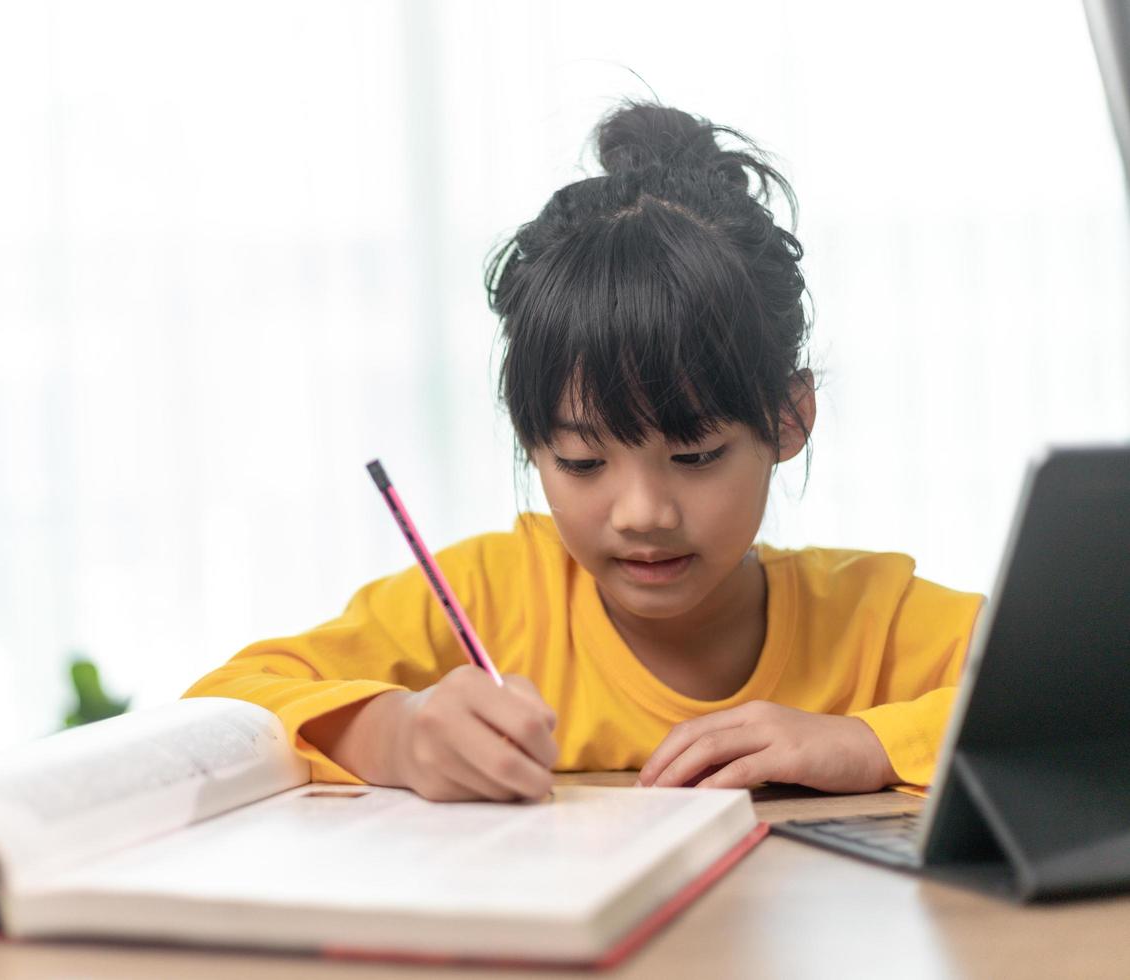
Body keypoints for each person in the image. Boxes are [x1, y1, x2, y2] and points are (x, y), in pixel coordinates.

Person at [183, 100, 982, 803]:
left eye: (697, 454)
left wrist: (870, 745)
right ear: (531, 442)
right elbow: (222, 710)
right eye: (582, 463)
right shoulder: (490, 602)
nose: (643, 514)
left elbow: (1094, 683)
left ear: (788, 419)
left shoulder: (874, 620)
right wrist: (398, 734)